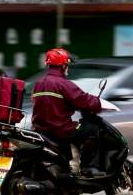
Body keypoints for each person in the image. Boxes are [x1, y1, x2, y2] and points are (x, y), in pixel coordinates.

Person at [31, 48, 104, 177]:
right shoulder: (63, 84)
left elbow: (49, 103)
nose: (67, 68)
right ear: (63, 66)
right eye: (67, 65)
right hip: (60, 129)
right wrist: (98, 103)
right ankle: (89, 168)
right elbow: (83, 99)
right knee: (91, 130)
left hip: (41, 129)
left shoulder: (38, 83)